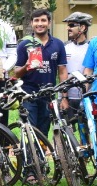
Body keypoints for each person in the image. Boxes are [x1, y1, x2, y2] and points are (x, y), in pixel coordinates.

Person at [12, 8, 66, 140]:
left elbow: (62, 71)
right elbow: (16, 73)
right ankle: (29, 153)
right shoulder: (24, 44)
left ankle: (42, 153)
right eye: (36, 21)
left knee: (43, 133)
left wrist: (64, 96)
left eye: (43, 20)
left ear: (49, 23)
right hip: (28, 95)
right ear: (31, 23)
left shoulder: (58, 44)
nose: (40, 24)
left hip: (48, 95)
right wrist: (26, 66)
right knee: (29, 132)